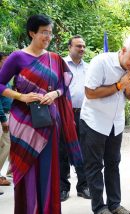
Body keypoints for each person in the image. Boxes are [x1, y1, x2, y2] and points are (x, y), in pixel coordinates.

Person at [0, 14, 83, 213]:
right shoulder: (17, 57)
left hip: (48, 122)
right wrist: (22, 97)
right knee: (27, 169)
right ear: (32, 33)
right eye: (44, 32)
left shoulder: (54, 58)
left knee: (48, 169)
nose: (48, 36)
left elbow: (64, 84)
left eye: (50, 32)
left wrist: (54, 94)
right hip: (24, 124)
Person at [80, 36, 130, 214]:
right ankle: (99, 207)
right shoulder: (100, 62)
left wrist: (128, 86)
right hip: (94, 121)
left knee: (113, 163)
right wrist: (118, 85)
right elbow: (90, 93)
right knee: (94, 166)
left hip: (115, 123)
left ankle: (114, 205)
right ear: (122, 50)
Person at [59, 35, 91, 201]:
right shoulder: (60, 65)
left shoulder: (89, 67)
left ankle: (83, 186)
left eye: (83, 46)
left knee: (83, 150)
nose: (82, 49)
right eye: (78, 46)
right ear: (69, 47)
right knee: (62, 150)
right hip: (65, 113)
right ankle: (62, 188)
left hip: (85, 114)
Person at [0, 52, 11, 190]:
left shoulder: (5, 76)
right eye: (5, 60)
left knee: (6, 146)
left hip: (7, 115)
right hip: (2, 117)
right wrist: (3, 118)